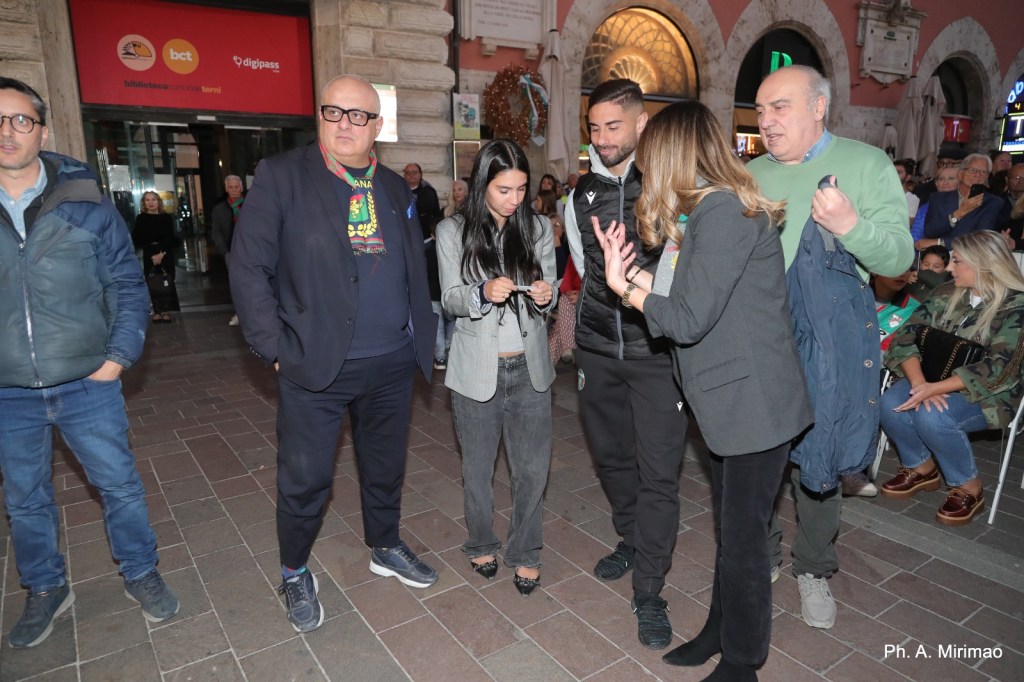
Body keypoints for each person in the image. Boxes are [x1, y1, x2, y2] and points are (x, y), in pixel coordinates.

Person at [595, 100, 813, 682]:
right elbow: (685, 297)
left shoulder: (724, 213)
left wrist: (627, 291)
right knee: (732, 528)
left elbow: (686, 320)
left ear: (674, 154)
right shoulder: (706, 213)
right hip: (729, 403)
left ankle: (744, 660)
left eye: (650, 158)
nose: (643, 171)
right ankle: (722, 630)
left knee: (743, 541)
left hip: (754, 407)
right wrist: (629, 275)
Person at [229, 74, 439, 634]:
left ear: (377, 127)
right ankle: (295, 570)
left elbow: (414, 267)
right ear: (320, 117)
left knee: (385, 468)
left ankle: (385, 545)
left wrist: (424, 334)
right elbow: (248, 265)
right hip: (315, 363)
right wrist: (274, 347)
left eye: (359, 116)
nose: (345, 124)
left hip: (392, 361)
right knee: (305, 478)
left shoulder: (395, 187)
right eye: (334, 112)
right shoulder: (282, 176)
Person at [0, 77, 179, 648]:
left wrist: (118, 358)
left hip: (87, 383)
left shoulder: (84, 201)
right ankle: (46, 588)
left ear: (42, 130)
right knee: (25, 499)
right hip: (7, 391)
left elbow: (128, 286)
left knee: (119, 486)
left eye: (20, 120)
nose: (7, 132)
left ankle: (140, 571)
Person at [750, 65, 914, 630]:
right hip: (762, 344)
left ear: (819, 107)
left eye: (779, 107)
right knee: (760, 460)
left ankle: (813, 567)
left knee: (820, 459)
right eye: (761, 109)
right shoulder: (747, 174)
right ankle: (765, 551)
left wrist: (850, 225)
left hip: (832, 345)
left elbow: (897, 259)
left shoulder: (865, 165)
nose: (766, 120)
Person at [563, 78, 688, 649]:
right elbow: (583, 271)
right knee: (613, 461)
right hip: (596, 351)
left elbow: (684, 274)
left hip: (655, 353)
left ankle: (650, 590)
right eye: (595, 127)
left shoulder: (670, 185)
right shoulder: (579, 194)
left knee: (659, 472)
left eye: (614, 126)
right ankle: (631, 538)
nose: (603, 137)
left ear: (641, 125)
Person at [436, 139, 556, 596]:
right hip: (476, 370)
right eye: (504, 189)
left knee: (531, 469)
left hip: (530, 369)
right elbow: (449, 298)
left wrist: (543, 297)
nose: (515, 199)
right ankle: (480, 541)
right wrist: (480, 293)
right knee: (478, 469)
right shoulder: (452, 232)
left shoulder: (538, 228)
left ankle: (525, 550)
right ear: (483, 183)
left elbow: (544, 286)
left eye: (522, 188)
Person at [879, 231, 1024, 525]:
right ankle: (921, 467)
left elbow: (999, 369)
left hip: (989, 393)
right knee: (889, 404)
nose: (948, 268)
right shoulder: (946, 293)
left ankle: (968, 485)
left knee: (933, 418)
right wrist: (922, 386)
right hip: (932, 377)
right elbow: (906, 335)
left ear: (984, 264)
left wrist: (935, 389)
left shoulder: (1015, 308)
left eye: (957, 261)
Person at [922, 154, 1005, 243]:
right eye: (972, 170)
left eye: (983, 172)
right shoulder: (938, 198)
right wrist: (958, 213)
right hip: (939, 254)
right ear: (960, 174)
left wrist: (940, 242)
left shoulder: (993, 202)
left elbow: (979, 238)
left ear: (987, 177)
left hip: (970, 255)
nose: (977, 175)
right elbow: (930, 231)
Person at [132, 190, 180, 323]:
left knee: (167, 280)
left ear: (158, 201)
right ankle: (158, 311)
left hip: (165, 252)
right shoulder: (141, 218)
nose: (151, 202)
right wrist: (152, 252)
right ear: (144, 203)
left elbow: (171, 237)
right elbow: (136, 238)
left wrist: (161, 253)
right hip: (149, 253)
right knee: (152, 281)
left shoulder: (166, 217)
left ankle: (167, 311)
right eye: (147, 200)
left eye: (153, 199)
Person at [211, 174, 245, 326]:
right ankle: (239, 313)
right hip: (231, 252)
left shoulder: (252, 205)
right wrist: (225, 251)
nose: (234, 190)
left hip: (252, 252)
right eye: (230, 187)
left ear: (242, 187)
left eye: (236, 187)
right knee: (236, 285)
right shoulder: (219, 209)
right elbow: (216, 232)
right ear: (226, 189)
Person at [912, 165, 959, 247]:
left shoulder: (965, 205)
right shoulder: (925, 208)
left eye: (951, 178)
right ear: (936, 183)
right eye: (941, 179)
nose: (945, 182)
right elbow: (915, 237)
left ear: (960, 182)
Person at [404, 162, 443, 235]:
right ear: (404, 176)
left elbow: (424, 209)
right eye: (408, 172)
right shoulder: (399, 191)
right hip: (405, 231)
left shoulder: (427, 191)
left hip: (425, 233)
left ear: (420, 175)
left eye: (414, 172)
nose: (411, 175)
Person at [894, 159, 920, 226]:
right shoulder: (881, 193)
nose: (894, 174)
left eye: (898, 172)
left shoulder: (912, 199)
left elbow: (908, 223)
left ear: (908, 177)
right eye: (892, 171)